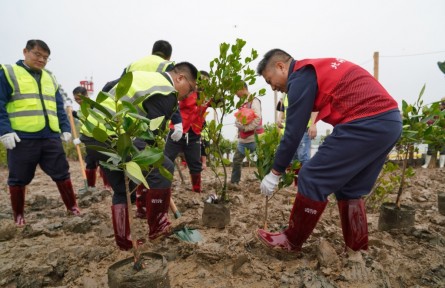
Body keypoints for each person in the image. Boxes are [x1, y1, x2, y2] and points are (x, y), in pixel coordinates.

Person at [256, 49, 402, 253]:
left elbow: (293, 132)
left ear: (281, 66)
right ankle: (357, 250)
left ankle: (291, 241)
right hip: (390, 122)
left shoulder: (300, 76)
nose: (274, 88)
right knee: (350, 189)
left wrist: (275, 173)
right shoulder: (314, 71)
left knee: (311, 176)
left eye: (270, 80)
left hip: (366, 121)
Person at [80, 62, 198, 250]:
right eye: (190, 89)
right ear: (180, 78)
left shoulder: (144, 76)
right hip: (114, 136)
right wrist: (153, 168)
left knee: (123, 188)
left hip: (92, 135)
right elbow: (151, 138)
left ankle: (124, 242)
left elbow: (108, 87)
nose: (189, 95)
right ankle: (158, 227)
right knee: (162, 168)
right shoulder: (167, 91)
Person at [0, 39, 80, 226]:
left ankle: (72, 207)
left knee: (62, 172)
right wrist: (4, 130)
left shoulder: (49, 77)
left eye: (45, 57)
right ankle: (18, 216)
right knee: (18, 178)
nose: (41, 60)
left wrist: (65, 128)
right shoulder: (8, 73)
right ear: (25, 52)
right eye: (37, 54)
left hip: (50, 136)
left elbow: (59, 106)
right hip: (22, 136)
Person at [164, 71, 212, 194]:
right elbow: (174, 103)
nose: (203, 84)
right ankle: (163, 188)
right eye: (201, 81)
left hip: (194, 133)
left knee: (195, 164)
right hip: (178, 130)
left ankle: (196, 191)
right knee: (166, 160)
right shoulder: (186, 91)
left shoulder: (207, 96)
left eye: (206, 82)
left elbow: (217, 103)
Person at [71, 86, 111, 190]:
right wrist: (73, 114)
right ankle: (90, 186)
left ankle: (108, 185)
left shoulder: (94, 107)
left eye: (80, 99)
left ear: (86, 96)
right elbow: (83, 117)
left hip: (98, 140)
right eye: (76, 99)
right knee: (90, 162)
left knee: (103, 163)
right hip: (89, 141)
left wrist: (81, 138)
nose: (78, 101)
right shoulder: (82, 108)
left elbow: (92, 123)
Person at [276, 96, 318, 186]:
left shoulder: (303, 88)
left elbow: (314, 107)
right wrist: (279, 118)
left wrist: (313, 125)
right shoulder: (285, 94)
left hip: (303, 129)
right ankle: (297, 185)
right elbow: (283, 109)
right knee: (293, 159)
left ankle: (306, 185)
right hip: (290, 131)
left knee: (303, 158)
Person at [102, 40, 174, 92]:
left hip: (127, 103)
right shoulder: (168, 65)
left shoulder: (132, 64)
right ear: (169, 57)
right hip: (149, 105)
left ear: (152, 51)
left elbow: (119, 86)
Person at [230, 82, 264, 186]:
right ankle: (234, 183)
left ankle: (264, 183)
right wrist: (237, 123)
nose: (235, 94)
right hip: (243, 139)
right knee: (236, 160)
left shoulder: (254, 101)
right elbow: (240, 118)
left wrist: (246, 128)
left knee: (262, 162)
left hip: (255, 138)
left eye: (236, 91)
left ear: (242, 88)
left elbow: (257, 118)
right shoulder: (242, 103)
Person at [422, 97, 445, 169]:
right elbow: (429, 120)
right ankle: (426, 164)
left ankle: (441, 166)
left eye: (442, 104)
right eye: (441, 104)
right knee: (430, 149)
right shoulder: (436, 111)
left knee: (443, 151)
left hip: (442, 134)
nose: (441, 105)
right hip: (433, 133)